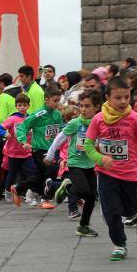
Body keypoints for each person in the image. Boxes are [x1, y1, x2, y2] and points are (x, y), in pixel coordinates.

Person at [82, 77, 137, 261]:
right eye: (118, 97)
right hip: (106, 173)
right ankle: (119, 244)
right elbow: (88, 145)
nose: (124, 101)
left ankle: (130, 213)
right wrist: (100, 158)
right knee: (112, 211)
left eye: (127, 97)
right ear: (107, 97)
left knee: (130, 208)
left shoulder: (135, 119)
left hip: (129, 174)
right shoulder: (98, 119)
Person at [45, 90, 102, 236]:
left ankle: (83, 226)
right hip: (75, 163)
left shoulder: (99, 123)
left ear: (97, 107)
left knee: (91, 197)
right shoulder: (75, 123)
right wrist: (50, 155)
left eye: (87, 106)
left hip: (90, 165)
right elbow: (60, 138)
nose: (83, 109)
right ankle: (68, 186)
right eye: (81, 106)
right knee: (84, 191)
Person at [14, 86, 63, 209]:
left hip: (53, 149)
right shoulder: (39, 114)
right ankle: (45, 199)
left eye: (59, 100)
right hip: (39, 150)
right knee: (50, 169)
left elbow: (62, 130)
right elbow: (22, 127)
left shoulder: (58, 114)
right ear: (46, 100)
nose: (57, 103)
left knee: (40, 176)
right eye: (55, 100)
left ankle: (18, 188)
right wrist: (23, 141)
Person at [0, 94, 34, 205]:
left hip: (26, 152)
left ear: (28, 106)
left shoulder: (30, 118)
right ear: (16, 106)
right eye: (20, 105)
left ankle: (28, 195)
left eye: (24, 105)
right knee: (12, 174)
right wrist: (5, 133)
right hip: (13, 153)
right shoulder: (12, 119)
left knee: (32, 173)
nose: (22, 107)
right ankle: (7, 192)